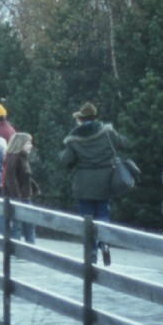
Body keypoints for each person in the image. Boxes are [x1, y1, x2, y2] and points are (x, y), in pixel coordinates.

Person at [59, 102, 130, 266]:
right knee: (103, 214)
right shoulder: (107, 133)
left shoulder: (74, 137)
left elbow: (65, 160)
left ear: (81, 119)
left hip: (83, 184)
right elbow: (125, 143)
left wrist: (63, 154)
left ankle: (91, 256)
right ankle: (104, 242)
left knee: (87, 220)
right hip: (105, 181)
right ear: (95, 116)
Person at [2, 131, 39, 245]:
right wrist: (16, 196)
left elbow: (25, 175)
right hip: (18, 197)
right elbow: (10, 178)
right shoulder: (14, 158)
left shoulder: (23, 157)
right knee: (17, 224)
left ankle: (30, 247)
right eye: (28, 143)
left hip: (25, 196)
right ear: (20, 144)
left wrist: (34, 186)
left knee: (29, 223)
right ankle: (16, 249)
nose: (31, 145)